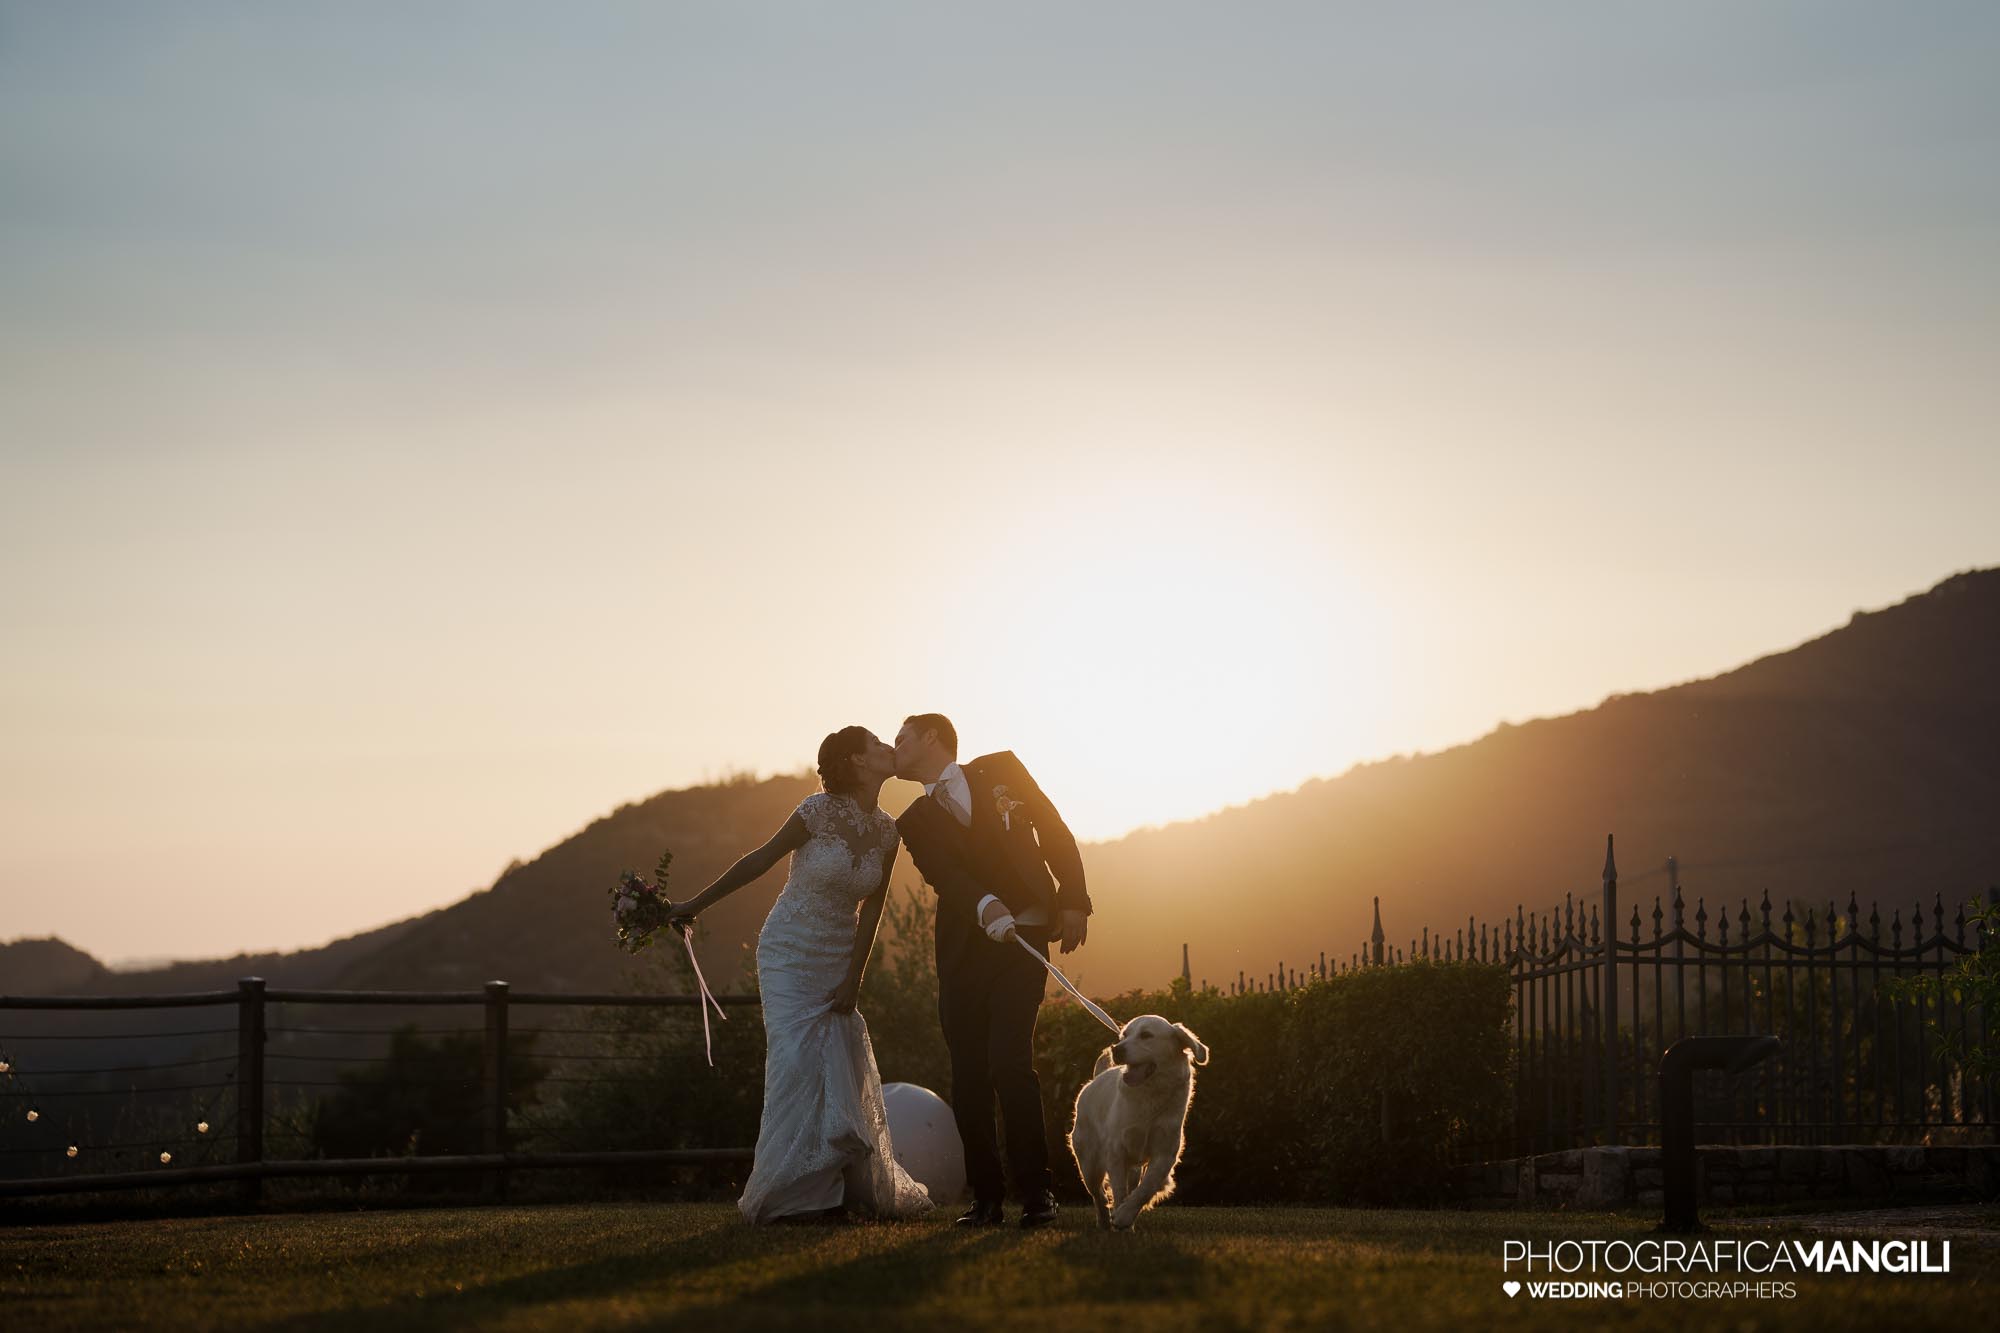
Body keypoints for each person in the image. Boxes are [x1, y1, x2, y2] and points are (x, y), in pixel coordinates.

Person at [666, 726, 934, 1224]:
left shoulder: (888, 831)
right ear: (855, 761)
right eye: (878, 744)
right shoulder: (815, 813)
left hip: (838, 955)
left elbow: (873, 910)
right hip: (788, 951)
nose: (888, 749)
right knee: (795, 1064)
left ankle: (831, 1191)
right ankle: (791, 1196)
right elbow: (759, 861)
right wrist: (693, 905)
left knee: (836, 1066)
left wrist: (855, 976)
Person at [892, 712, 1092, 1228]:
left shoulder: (1002, 769)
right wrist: (985, 906)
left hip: (1022, 943)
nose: (896, 746)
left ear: (933, 737)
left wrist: (1074, 899)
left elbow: (1051, 828)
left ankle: (1038, 1194)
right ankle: (986, 1200)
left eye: (903, 737)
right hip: (963, 956)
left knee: (1010, 1064)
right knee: (969, 1079)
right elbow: (947, 877)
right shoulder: (912, 821)